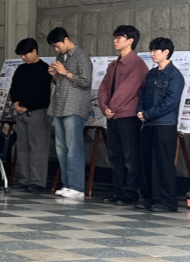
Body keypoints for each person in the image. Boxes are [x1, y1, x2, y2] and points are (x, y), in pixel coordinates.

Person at [97, 25, 147, 206]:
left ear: (130, 41)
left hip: (128, 116)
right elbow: (103, 87)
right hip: (113, 116)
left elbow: (127, 90)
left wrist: (111, 108)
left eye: (119, 37)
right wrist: (104, 107)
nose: (115, 40)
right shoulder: (113, 65)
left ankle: (130, 191)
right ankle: (117, 189)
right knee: (115, 155)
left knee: (130, 156)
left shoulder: (137, 64)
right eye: (115, 37)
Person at [136, 37, 184, 212]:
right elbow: (143, 96)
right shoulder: (151, 74)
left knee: (163, 163)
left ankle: (167, 201)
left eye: (155, 50)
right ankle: (149, 197)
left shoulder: (175, 76)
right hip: (148, 124)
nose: (152, 54)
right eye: (151, 50)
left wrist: (147, 114)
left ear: (166, 52)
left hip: (165, 124)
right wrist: (140, 110)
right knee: (147, 162)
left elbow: (170, 102)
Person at [47, 27, 92, 199]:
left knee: (74, 146)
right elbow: (61, 81)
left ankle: (77, 186)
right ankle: (67, 184)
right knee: (61, 147)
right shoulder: (61, 57)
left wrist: (64, 72)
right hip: (59, 106)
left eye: (57, 45)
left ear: (66, 39)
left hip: (74, 107)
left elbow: (86, 81)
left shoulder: (81, 56)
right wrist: (55, 75)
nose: (56, 49)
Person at [10, 38, 52, 192]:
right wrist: (16, 103)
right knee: (22, 146)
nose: (23, 57)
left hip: (38, 112)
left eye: (25, 54)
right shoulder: (21, 69)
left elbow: (43, 94)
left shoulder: (44, 69)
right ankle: (25, 179)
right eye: (21, 55)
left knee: (38, 147)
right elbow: (14, 88)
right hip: (20, 112)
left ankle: (38, 181)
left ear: (34, 51)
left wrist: (27, 106)